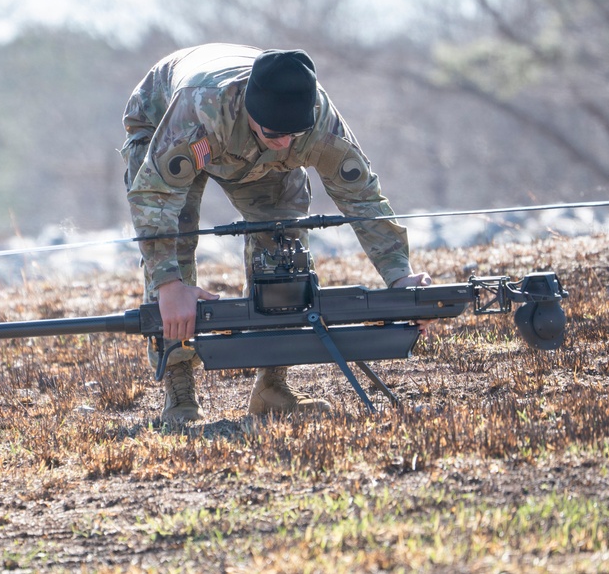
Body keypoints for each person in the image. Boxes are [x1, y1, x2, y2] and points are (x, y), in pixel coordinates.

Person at [121, 43, 431, 422]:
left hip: (253, 154)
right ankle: (179, 387)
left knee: (285, 243)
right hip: (162, 122)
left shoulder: (317, 119)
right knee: (176, 239)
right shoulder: (201, 112)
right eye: (274, 132)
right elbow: (154, 197)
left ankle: (273, 384)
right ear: (252, 111)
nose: (285, 142)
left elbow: (362, 196)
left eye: (293, 134)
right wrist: (169, 285)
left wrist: (400, 276)